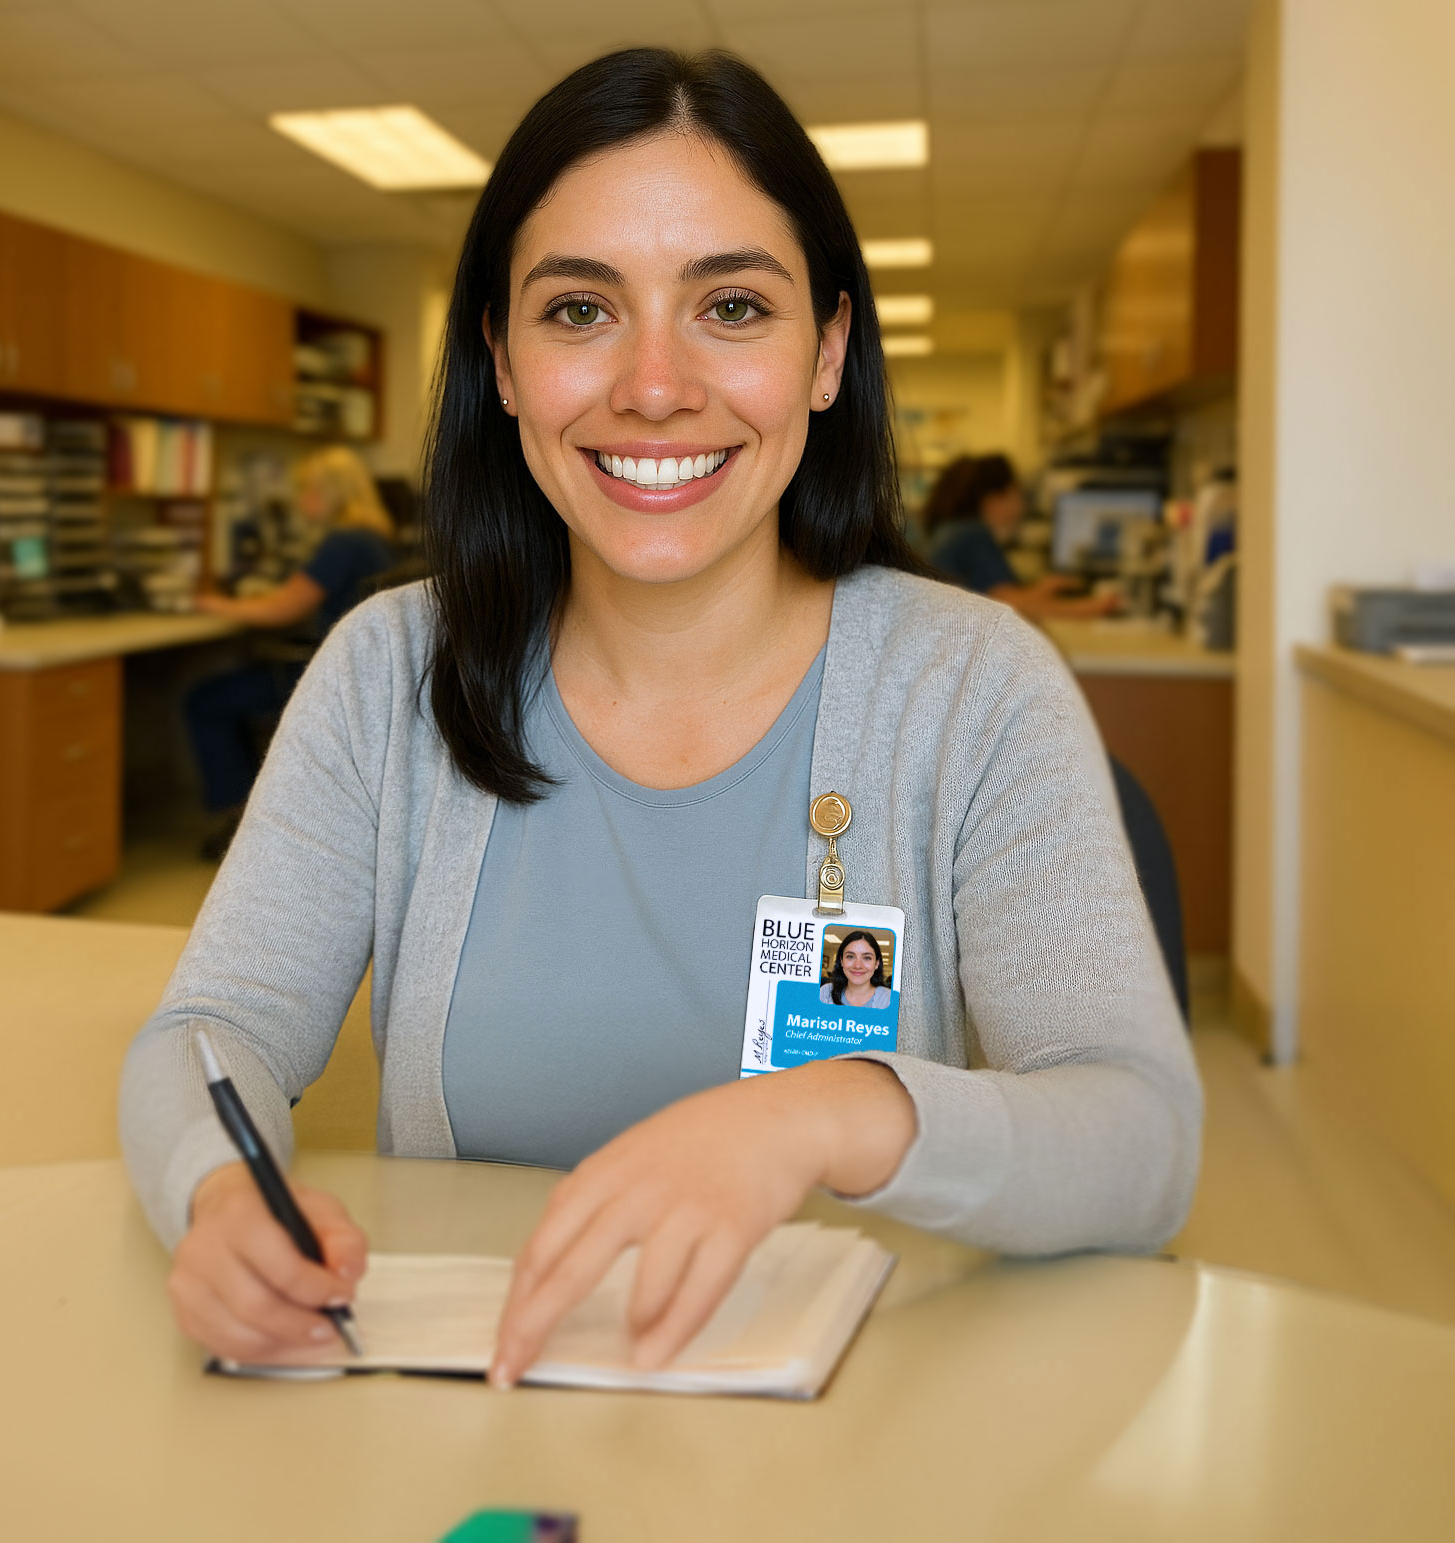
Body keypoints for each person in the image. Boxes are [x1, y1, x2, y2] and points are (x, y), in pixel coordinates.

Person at [121, 49, 1200, 1388]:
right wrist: (221, 1201)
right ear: (502, 364)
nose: (651, 384)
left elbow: (1141, 1142)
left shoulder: (974, 686)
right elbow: (207, 1031)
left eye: (732, 305)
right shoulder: (386, 672)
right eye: (579, 309)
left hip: (858, 1434)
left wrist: (833, 1111)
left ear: (828, 353)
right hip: (478, 1418)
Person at [183, 447, 397, 858]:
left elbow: (284, 609)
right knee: (235, 686)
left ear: (329, 493)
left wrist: (214, 605)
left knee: (205, 700)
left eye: (306, 491)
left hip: (320, 679)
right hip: (356, 678)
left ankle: (238, 817)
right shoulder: (374, 538)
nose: (300, 502)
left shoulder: (341, 542)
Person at [923, 452, 1121, 619]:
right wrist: (1100, 605)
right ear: (994, 500)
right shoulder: (972, 534)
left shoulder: (955, 531)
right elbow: (1009, 605)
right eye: (1017, 494)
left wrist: (1040, 590)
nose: (1022, 506)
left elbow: (994, 594)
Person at [818, 931, 891, 1009]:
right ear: (842, 961)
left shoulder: (889, 999)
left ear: (876, 963)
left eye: (867, 958)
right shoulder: (825, 992)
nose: (858, 965)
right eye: (850, 957)